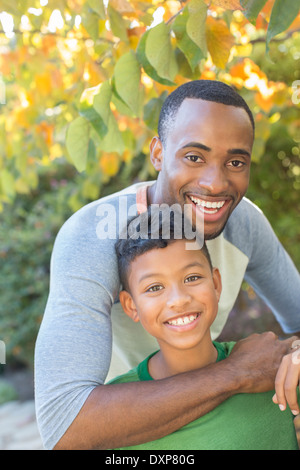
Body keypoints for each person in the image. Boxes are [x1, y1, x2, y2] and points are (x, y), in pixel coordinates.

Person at [34, 80, 300, 450]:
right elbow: (64, 426)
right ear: (158, 153)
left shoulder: (245, 225)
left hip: (218, 422)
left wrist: (294, 358)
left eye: (235, 162)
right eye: (194, 156)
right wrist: (236, 373)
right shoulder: (92, 236)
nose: (215, 182)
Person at [108, 209, 299, 450]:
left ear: (216, 284)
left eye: (192, 278)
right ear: (131, 305)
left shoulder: (273, 366)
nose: (178, 300)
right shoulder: (111, 411)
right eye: (155, 287)